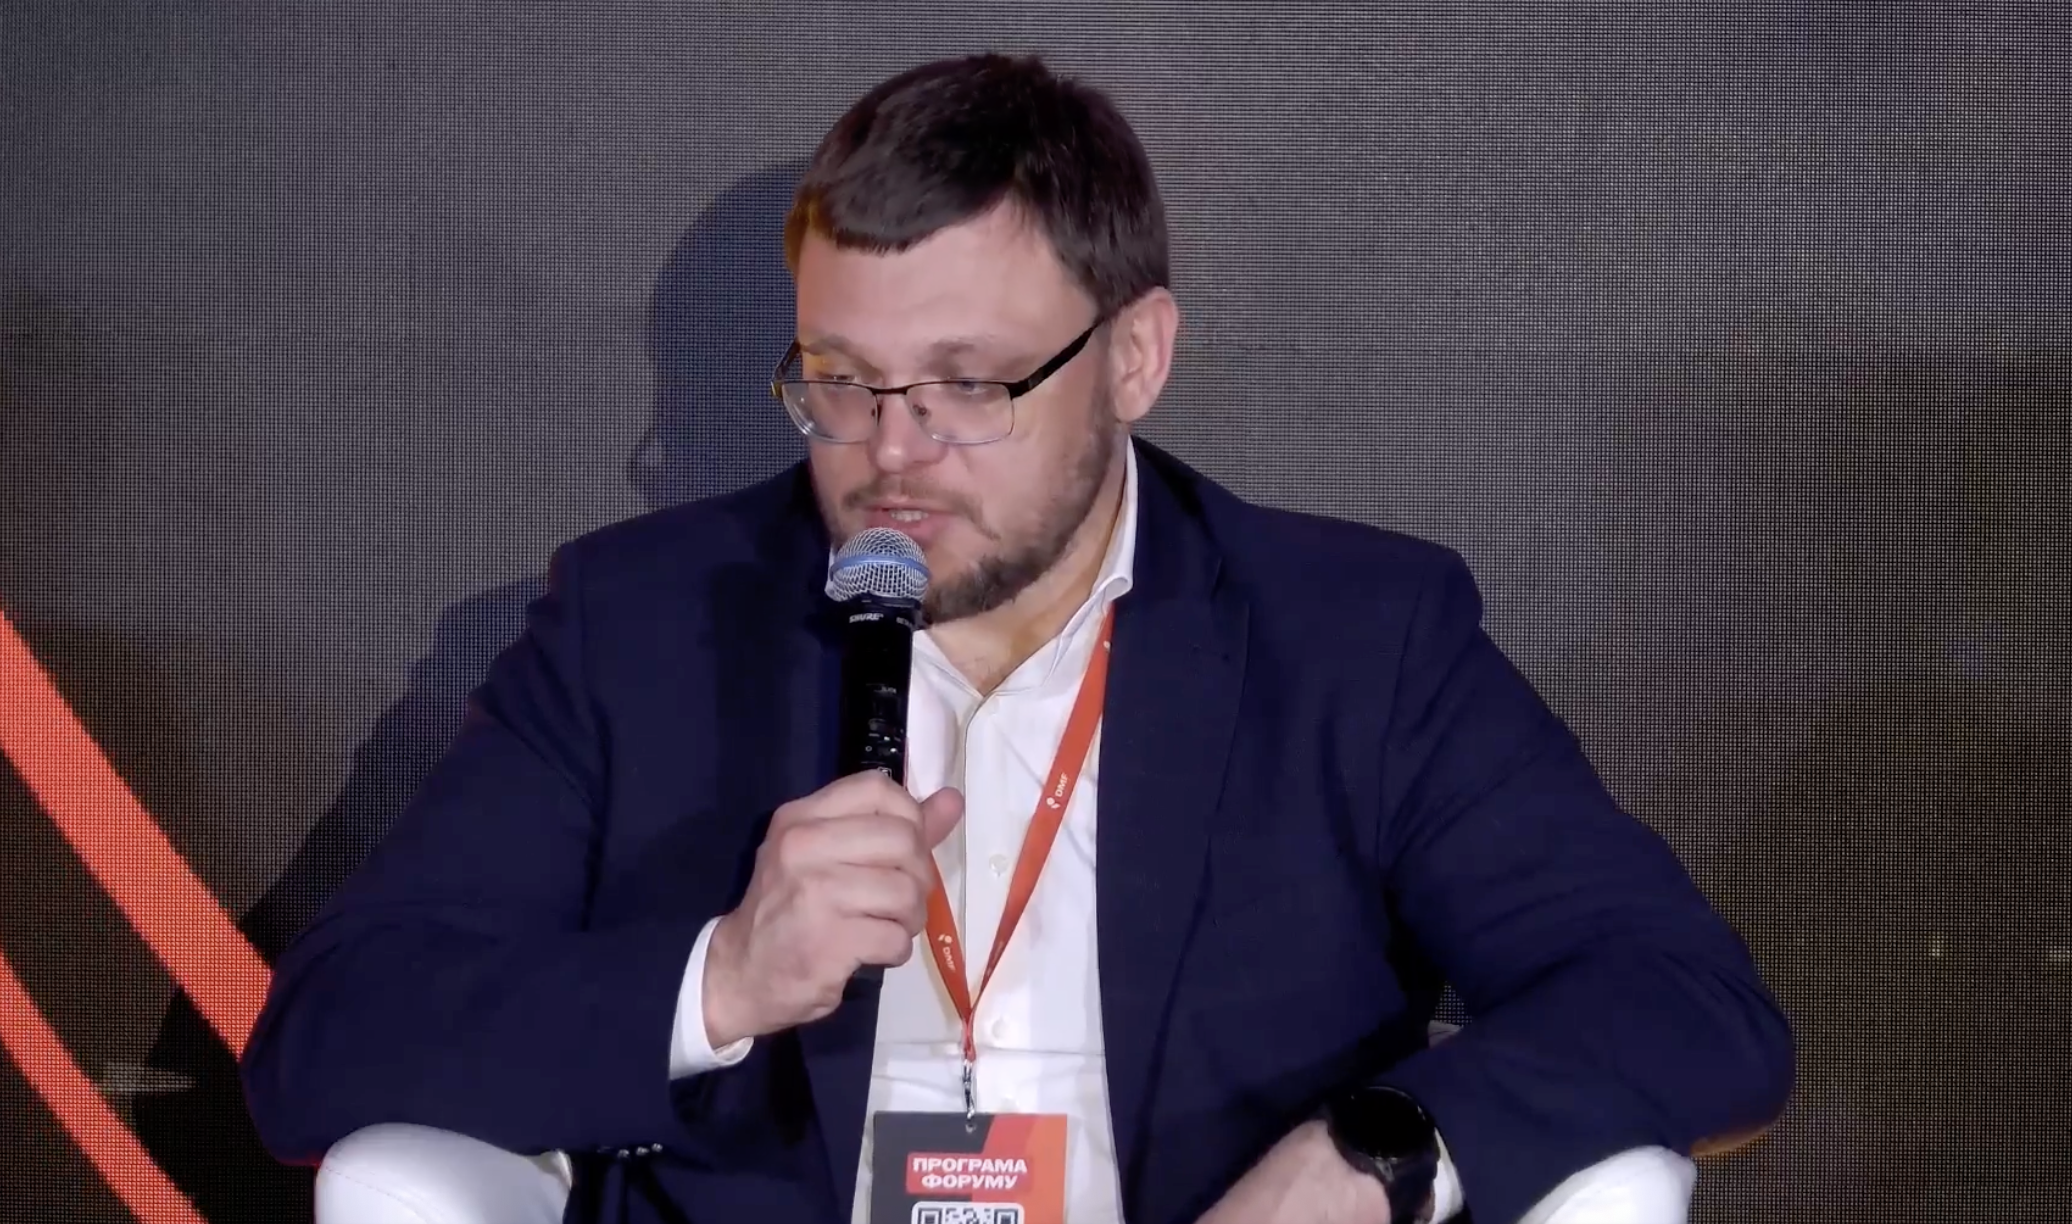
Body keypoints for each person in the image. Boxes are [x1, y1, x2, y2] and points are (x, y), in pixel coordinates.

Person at [240, 52, 1792, 1224]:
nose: (890, 450)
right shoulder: (638, 626)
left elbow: (1684, 1004)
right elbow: (327, 1043)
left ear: (1134, 359)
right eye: (839, 379)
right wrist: (716, 979)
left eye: (970, 384)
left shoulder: (1353, 637)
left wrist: (1380, 1153)